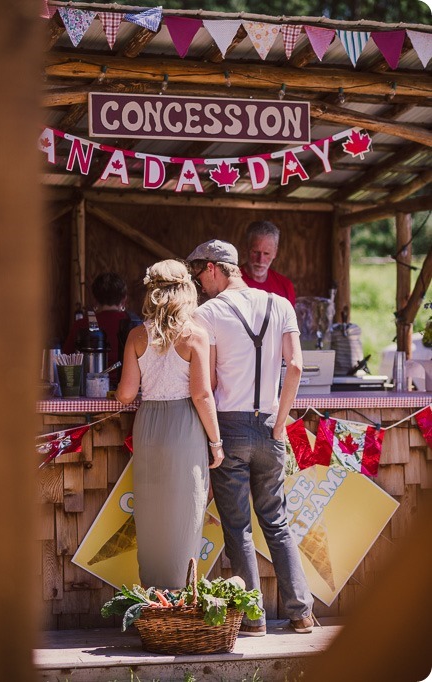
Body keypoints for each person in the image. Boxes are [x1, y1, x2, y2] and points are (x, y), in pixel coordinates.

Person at [187, 239, 313, 636]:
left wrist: (214, 438)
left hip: (229, 425)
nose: (198, 282)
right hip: (270, 425)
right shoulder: (281, 305)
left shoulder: (207, 313)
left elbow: (205, 383)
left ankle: (253, 618)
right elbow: (295, 365)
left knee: (238, 526)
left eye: (198, 273)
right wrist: (280, 421)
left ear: (213, 268)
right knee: (276, 522)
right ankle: (301, 614)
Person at [115, 259, 224, 589]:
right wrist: (216, 443)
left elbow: (125, 395)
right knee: (185, 510)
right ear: (186, 292)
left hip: (148, 424)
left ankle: (152, 595)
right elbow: (202, 395)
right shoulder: (195, 336)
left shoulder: (136, 335)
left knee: (151, 511)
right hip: (184, 425)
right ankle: (179, 594)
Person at [63, 272, 141, 370]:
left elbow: (65, 361)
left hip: (90, 383)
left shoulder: (81, 325)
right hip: (128, 383)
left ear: (94, 299)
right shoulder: (135, 323)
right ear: (124, 299)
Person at [241, 220, 296, 305]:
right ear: (246, 248)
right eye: (255, 252)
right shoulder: (229, 282)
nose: (260, 260)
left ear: (275, 253)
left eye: (266, 253)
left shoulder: (285, 286)